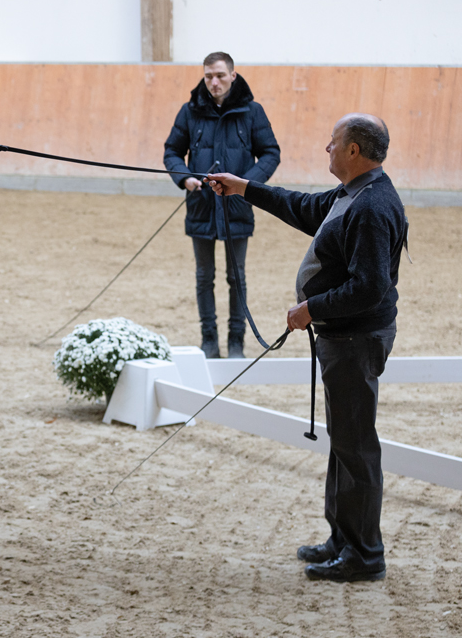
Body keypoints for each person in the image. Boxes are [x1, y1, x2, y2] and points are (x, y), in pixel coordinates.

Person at [205, 113, 408, 583]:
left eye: (333, 142)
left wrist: (311, 308)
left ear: (353, 150)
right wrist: (243, 188)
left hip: (356, 340)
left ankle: (365, 555)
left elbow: (370, 287)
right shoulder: (351, 193)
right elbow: (301, 206)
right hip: (343, 339)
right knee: (345, 443)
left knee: (356, 448)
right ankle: (343, 538)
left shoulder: (372, 206)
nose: (327, 148)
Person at [164, 52, 280, 359]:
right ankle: (209, 340)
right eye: (208, 76)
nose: (214, 82)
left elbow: (270, 153)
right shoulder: (189, 111)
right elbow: (172, 152)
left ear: (232, 75)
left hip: (236, 207)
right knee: (204, 276)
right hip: (200, 206)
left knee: (235, 276)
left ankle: (236, 341)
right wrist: (185, 178)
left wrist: (245, 186)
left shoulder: (252, 111)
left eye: (219, 75)